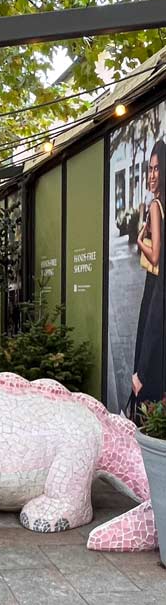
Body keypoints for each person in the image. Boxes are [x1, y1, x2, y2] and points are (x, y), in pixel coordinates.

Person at [131, 138, 166, 410]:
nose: (152, 175)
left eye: (157, 168)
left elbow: (155, 256)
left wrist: (139, 239)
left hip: (156, 287)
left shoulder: (156, 205)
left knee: (148, 354)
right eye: (150, 169)